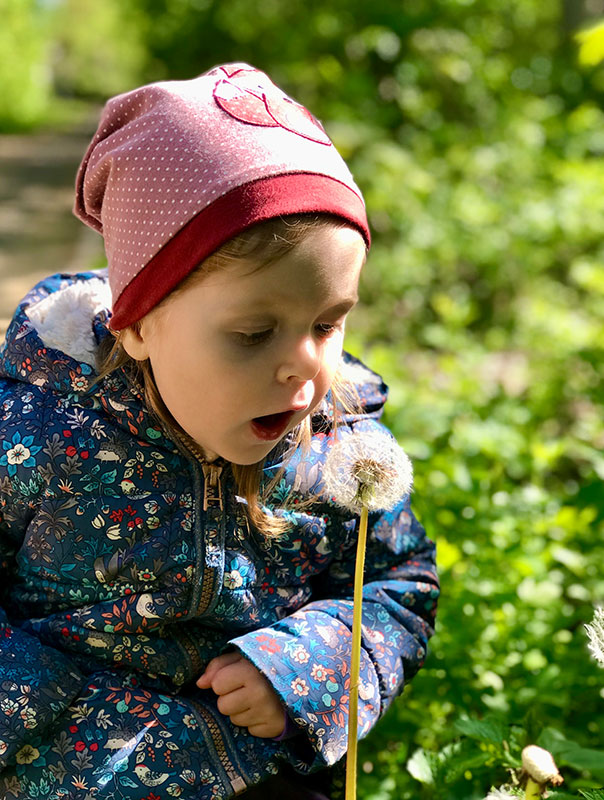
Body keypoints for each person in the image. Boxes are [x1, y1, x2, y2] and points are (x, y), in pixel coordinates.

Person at [0, 63, 439, 799]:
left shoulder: (341, 446)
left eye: (327, 323)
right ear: (137, 326)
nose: (304, 367)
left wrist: (305, 669)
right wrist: (60, 717)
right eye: (253, 332)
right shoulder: (40, 431)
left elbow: (399, 583)